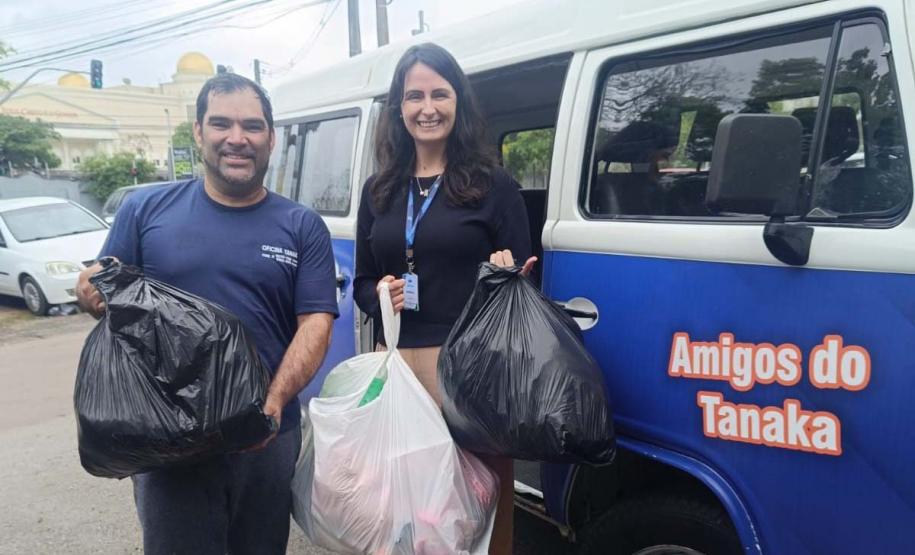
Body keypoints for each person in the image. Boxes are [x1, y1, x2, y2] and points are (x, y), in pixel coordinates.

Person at [75, 73, 338, 554]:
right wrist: (91, 288)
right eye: (221, 124)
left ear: (271, 138)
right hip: (169, 437)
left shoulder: (301, 225)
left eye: (252, 127)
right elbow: (105, 291)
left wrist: (274, 402)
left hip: (265, 432)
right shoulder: (145, 209)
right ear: (198, 131)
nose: (237, 139)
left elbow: (316, 322)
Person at [353, 42, 536, 555]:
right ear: (399, 108)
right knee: (408, 513)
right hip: (398, 372)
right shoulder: (379, 192)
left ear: (458, 103)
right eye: (414, 96)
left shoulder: (493, 186)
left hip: (471, 373)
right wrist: (380, 294)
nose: (426, 107)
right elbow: (362, 283)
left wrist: (506, 277)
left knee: (480, 510)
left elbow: (525, 285)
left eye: (439, 93)